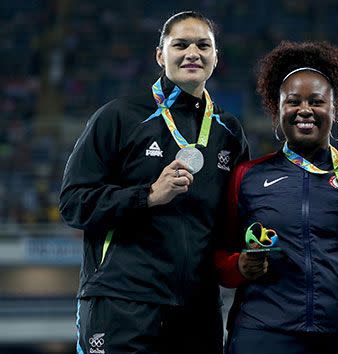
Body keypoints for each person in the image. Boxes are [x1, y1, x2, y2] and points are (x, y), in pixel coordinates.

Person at [59, 11, 249, 354]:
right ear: (161, 55)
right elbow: (73, 203)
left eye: (203, 45)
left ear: (216, 58)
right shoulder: (118, 117)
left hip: (199, 311)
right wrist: (146, 196)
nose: (193, 52)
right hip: (123, 302)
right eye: (181, 44)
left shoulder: (229, 132)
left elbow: (235, 220)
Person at [213, 41, 338, 354]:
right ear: (277, 109)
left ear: (334, 109)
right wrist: (239, 265)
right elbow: (219, 256)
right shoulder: (248, 176)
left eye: (317, 101)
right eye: (293, 101)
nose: (305, 110)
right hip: (266, 334)